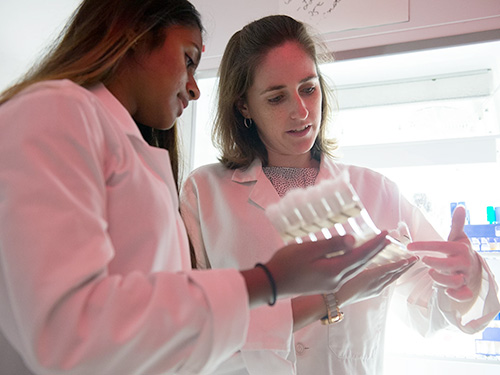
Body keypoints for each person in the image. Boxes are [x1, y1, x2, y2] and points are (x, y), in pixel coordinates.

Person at [0, 2, 394, 375]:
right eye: (188, 59)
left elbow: (173, 328)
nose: (194, 88)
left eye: (308, 88)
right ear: (134, 37)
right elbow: (69, 334)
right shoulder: (56, 111)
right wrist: (273, 281)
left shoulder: (133, 149)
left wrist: (302, 292)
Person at [179, 14, 500, 374]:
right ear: (243, 106)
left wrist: (467, 280)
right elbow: (188, 333)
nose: (300, 111)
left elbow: (441, 310)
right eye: (276, 98)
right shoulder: (204, 194)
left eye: (308, 88)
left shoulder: (375, 193)